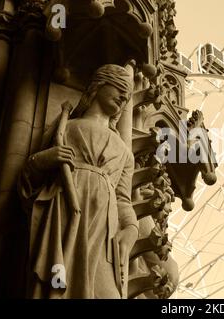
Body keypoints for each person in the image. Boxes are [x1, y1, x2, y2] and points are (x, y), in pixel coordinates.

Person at [18, 64, 139, 298]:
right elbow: (28, 181)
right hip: (64, 214)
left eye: (128, 94)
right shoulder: (66, 128)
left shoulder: (125, 153)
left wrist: (132, 228)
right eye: (119, 87)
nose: (124, 96)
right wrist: (44, 159)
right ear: (98, 85)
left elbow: (123, 198)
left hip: (104, 229)